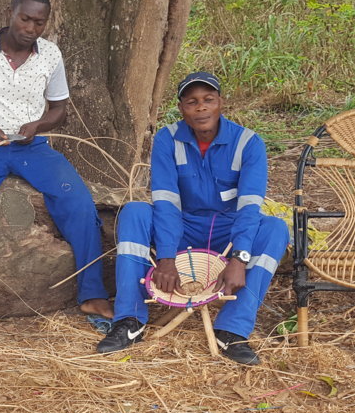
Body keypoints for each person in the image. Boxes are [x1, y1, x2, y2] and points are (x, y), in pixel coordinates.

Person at [0, 0, 113, 318]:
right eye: (25, 19)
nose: (31, 29)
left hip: (32, 146)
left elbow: (59, 109)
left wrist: (39, 125)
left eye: (39, 23)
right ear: (11, 13)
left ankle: (92, 292)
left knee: (78, 202)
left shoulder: (51, 55)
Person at [95, 71, 290, 365]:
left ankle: (232, 330)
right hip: (182, 228)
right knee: (136, 212)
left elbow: (249, 207)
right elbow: (166, 201)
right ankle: (130, 320)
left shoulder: (248, 143)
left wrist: (239, 257)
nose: (201, 108)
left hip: (228, 230)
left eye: (208, 100)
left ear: (220, 103)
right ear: (181, 108)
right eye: (192, 102)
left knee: (275, 228)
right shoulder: (167, 139)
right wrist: (167, 256)